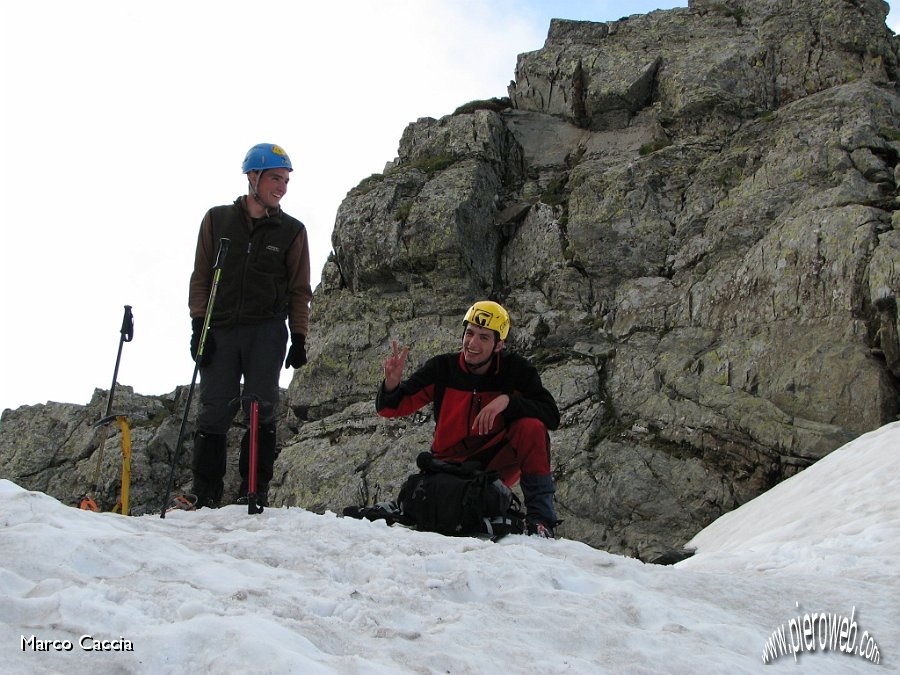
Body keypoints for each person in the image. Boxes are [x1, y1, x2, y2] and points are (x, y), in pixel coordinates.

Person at [188, 143, 312, 508]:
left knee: (261, 408)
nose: (282, 187)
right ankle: (204, 495)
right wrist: (199, 326)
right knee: (213, 409)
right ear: (252, 177)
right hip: (220, 329)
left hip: (267, 332)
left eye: (286, 181)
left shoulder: (292, 231)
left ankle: (253, 492)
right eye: (276, 178)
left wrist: (299, 337)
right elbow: (200, 278)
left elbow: (299, 290)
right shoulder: (216, 220)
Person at [376, 300, 561, 537]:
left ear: (499, 345)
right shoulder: (443, 368)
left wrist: (508, 402)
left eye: (484, 337)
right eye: (470, 333)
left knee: (531, 427)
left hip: (492, 465)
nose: (472, 343)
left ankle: (542, 520)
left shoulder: (515, 371)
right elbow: (390, 409)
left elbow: (550, 415)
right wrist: (391, 386)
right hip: (448, 465)